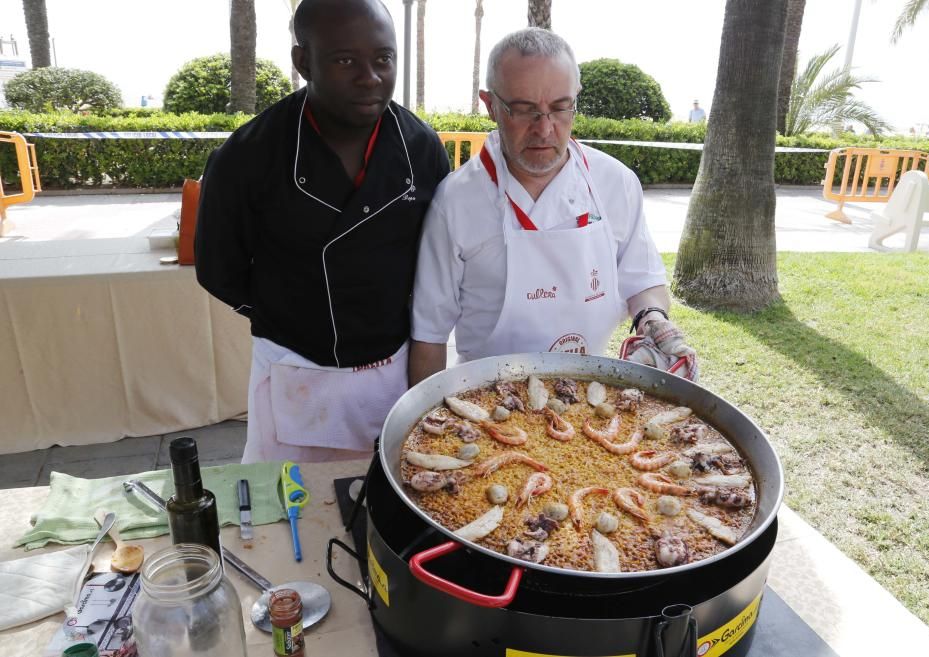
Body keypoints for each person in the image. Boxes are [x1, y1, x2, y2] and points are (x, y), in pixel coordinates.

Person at [195, 0, 450, 463]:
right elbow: (217, 268)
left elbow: (437, 261)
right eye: (345, 60)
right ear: (303, 62)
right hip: (295, 368)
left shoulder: (422, 147)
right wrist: (288, 314)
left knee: (390, 498)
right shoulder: (249, 155)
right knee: (288, 508)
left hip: (390, 370)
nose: (370, 77)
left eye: (383, 58)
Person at [408, 28, 696, 384]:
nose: (544, 130)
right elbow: (429, 335)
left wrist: (653, 319)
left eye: (560, 108)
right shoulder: (456, 201)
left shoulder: (615, 183)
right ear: (491, 105)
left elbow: (643, 280)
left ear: (576, 99)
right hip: (487, 397)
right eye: (524, 110)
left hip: (591, 393)